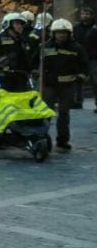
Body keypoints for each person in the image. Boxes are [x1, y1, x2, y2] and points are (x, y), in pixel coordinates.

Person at [41, 19, 88, 150]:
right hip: (49, 84)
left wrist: (81, 77)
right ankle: (42, 137)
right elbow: (35, 62)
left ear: (69, 34)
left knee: (63, 113)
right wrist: (35, 71)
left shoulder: (76, 48)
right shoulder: (45, 47)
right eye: (59, 32)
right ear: (53, 33)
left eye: (64, 32)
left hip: (67, 86)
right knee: (46, 112)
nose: (61, 35)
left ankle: (62, 140)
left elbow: (85, 65)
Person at [0, 12, 35, 94]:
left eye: (21, 24)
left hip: (20, 77)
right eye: (17, 23)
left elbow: (27, 58)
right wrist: (0, 64)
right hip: (3, 77)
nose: (20, 26)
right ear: (8, 24)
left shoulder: (23, 40)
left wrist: (30, 71)